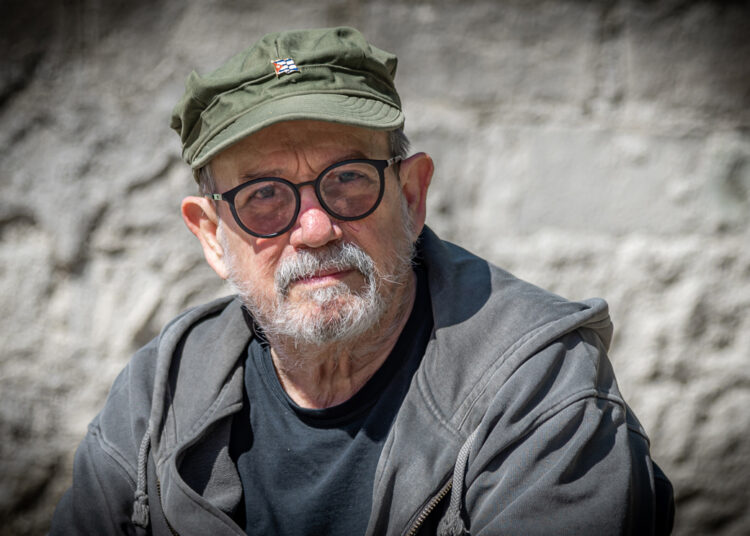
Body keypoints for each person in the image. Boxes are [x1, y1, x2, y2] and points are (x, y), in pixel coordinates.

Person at [51, 26, 674, 535]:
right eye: (265, 196)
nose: (316, 228)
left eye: (348, 178)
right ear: (213, 236)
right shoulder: (156, 397)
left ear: (411, 195)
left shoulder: (539, 388)